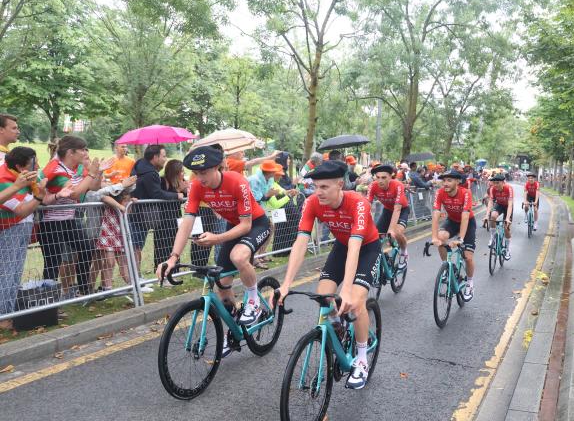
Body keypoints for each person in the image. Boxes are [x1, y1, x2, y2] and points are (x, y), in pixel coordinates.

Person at [275, 160, 380, 389]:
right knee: (324, 296)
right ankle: (338, 326)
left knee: (356, 301)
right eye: (315, 186)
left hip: (366, 248)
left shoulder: (358, 203)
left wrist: (349, 290)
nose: (317, 192)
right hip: (342, 246)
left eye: (324, 187)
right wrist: (286, 284)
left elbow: (356, 247)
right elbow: (301, 242)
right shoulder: (312, 202)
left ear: (340, 184)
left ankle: (361, 359)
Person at [157, 146, 272, 327]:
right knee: (222, 284)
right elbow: (187, 222)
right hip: (233, 226)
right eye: (195, 173)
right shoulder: (196, 186)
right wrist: (173, 258)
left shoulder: (237, 181)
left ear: (217, 166)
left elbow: (246, 225)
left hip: (256, 224)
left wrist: (217, 238)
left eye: (203, 172)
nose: (200, 178)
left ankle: (253, 301)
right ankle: (234, 331)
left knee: (238, 256)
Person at [39, 136, 102, 296]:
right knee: (53, 262)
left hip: (68, 219)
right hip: (51, 222)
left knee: (87, 248)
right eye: (81, 150)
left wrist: (95, 173)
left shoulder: (70, 168)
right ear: (70, 153)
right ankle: (48, 302)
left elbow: (89, 188)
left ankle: (83, 289)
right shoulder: (56, 168)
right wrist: (91, 174)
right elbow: (74, 194)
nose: (84, 153)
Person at [0, 147, 47, 326]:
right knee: (8, 272)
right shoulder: (5, 179)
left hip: (19, 228)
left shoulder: (22, 177)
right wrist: (39, 198)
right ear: (20, 167)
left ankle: (8, 312)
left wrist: (39, 192)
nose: (39, 166)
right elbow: (20, 211)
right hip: (9, 229)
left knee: (14, 272)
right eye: (34, 163)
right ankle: (3, 317)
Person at [130, 144, 184, 288]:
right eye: (163, 155)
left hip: (140, 213)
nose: (165, 159)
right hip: (141, 214)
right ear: (155, 157)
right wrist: (176, 195)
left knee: (137, 247)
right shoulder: (150, 173)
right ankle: (136, 280)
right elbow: (156, 193)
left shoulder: (141, 167)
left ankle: (138, 279)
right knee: (136, 247)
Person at [431, 169, 476, 301]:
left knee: (467, 257)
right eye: (444, 180)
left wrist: (460, 238)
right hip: (452, 221)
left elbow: (465, 216)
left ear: (458, 181)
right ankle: (447, 266)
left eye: (449, 180)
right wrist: (434, 237)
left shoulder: (465, 193)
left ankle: (470, 283)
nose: (445, 183)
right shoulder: (439, 193)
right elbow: (436, 214)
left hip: (467, 222)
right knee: (441, 237)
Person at [368, 164, 410, 268]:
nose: (380, 181)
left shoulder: (398, 185)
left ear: (390, 177)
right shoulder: (373, 186)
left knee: (396, 232)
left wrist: (391, 230)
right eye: (377, 177)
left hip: (402, 210)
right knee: (376, 237)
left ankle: (403, 251)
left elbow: (397, 209)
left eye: (383, 177)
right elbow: (366, 206)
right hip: (387, 211)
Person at [153, 159, 187, 272]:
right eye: (181, 171)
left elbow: (181, 200)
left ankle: (175, 270)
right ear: (174, 171)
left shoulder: (180, 181)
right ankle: (162, 271)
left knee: (175, 243)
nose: (183, 173)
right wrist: (178, 191)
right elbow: (162, 196)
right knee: (162, 245)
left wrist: (184, 190)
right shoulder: (162, 181)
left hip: (175, 218)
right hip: (163, 219)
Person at [487, 172, 514, 261]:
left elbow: (510, 204)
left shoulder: (509, 188)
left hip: (507, 207)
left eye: (498, 183)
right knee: (493, 216)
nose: (495, 185)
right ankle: (493, 237)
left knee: (506, 227)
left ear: (503, 182)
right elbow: (491, 202)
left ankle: (507, 249)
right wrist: (487, 215)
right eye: (494, 183)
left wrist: (507, 218)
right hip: (499, 204)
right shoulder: (492, 189)